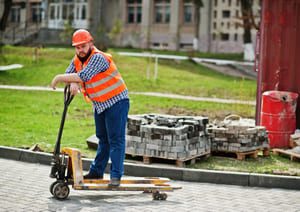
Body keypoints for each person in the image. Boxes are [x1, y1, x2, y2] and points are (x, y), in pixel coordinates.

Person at [50, 29, 129, 187]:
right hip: (100, 104)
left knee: (116, 140)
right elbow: (71, 72)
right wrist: (72, 82)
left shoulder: (98, 58)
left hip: (117, 101)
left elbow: (83, 76)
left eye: (83, 46)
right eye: (77, 47)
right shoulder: (78, 59)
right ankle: (97, 172)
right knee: (102, 139)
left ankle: (116, 176)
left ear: (90, 44)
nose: (80, 50)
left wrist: (59, 78)